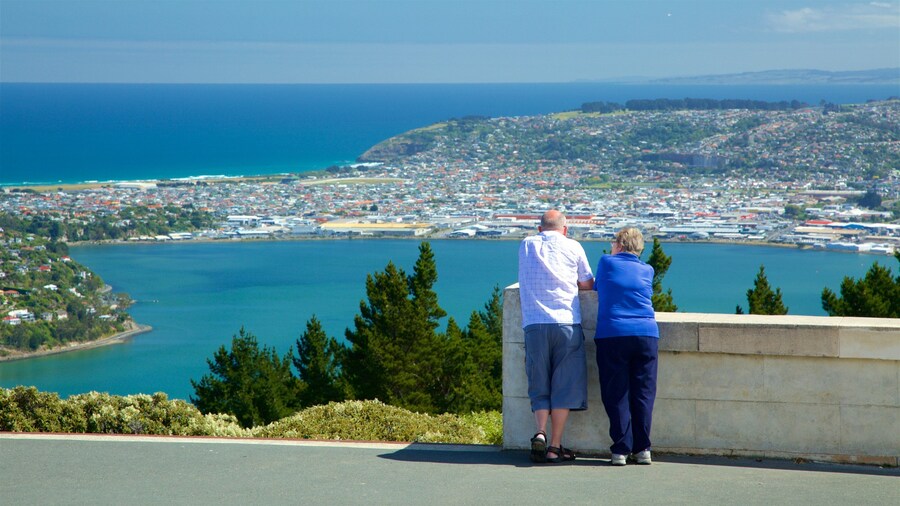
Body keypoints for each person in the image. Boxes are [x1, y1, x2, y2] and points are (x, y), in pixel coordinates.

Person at [518, 209, 594, 463]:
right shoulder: (574, 246)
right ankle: (554, 446)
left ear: (540, 229)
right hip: (566, 323)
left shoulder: (526, 244)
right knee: (564, 386)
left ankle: (539, 432)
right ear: (565, 229)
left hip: (535, 324)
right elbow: (586, 283)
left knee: (538, 382)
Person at [593, 227, 660, 466]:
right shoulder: (648, 269)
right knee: (643, 394)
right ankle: (643, 449)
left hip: (613, 334)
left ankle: (621, 448)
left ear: (619, 244)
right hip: (646, 335)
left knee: (616, 393)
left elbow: (596, 286)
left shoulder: (606, 262)